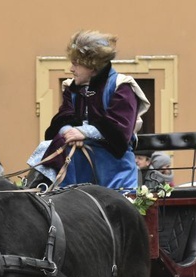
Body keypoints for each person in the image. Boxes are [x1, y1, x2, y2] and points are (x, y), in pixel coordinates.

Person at [40, 30, 150, 189]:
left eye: (76, 64)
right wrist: (69, 132)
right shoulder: (73, 88)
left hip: (113, 169)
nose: (71, 69)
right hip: (76, 167)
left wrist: (84, 132)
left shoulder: (122, 87)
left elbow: (119, 129)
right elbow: (64, 116)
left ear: (92, 66)